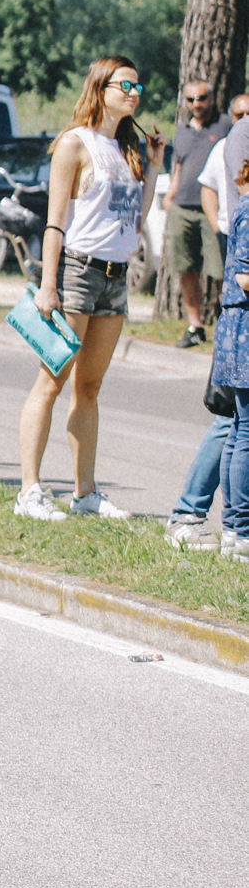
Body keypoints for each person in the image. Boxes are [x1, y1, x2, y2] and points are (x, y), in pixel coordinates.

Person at [14, 55, 160, 520]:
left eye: (138, 88)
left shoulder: (127, 148)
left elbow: (134, 218)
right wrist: (48, 284)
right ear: (100, 87)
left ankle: (85, 493)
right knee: (51, 380)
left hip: (115, 276)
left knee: (90, 387)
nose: (134, 94)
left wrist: (153, 168)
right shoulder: (75, 144)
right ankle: (30, 491)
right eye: (126, 86)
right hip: (78, 270)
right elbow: (55, 222)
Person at [210, 152, 249, 558]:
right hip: (244, 332)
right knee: (246, 430)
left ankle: (235, 529)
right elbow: (245, 275)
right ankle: (240, 529)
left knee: (241, 429)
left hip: (237, 331)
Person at [167, 80, 225, 347]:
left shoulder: (225, 126)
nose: (196, 104)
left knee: (222, 268)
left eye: (201, 98)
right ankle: (196, 326)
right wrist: (170, 196)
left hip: (213, 208)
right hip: (183, 206)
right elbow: (178, 166)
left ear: (211, 98)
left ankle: (229, 327)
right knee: (186, 268)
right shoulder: (183, 130)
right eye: (190, 99)